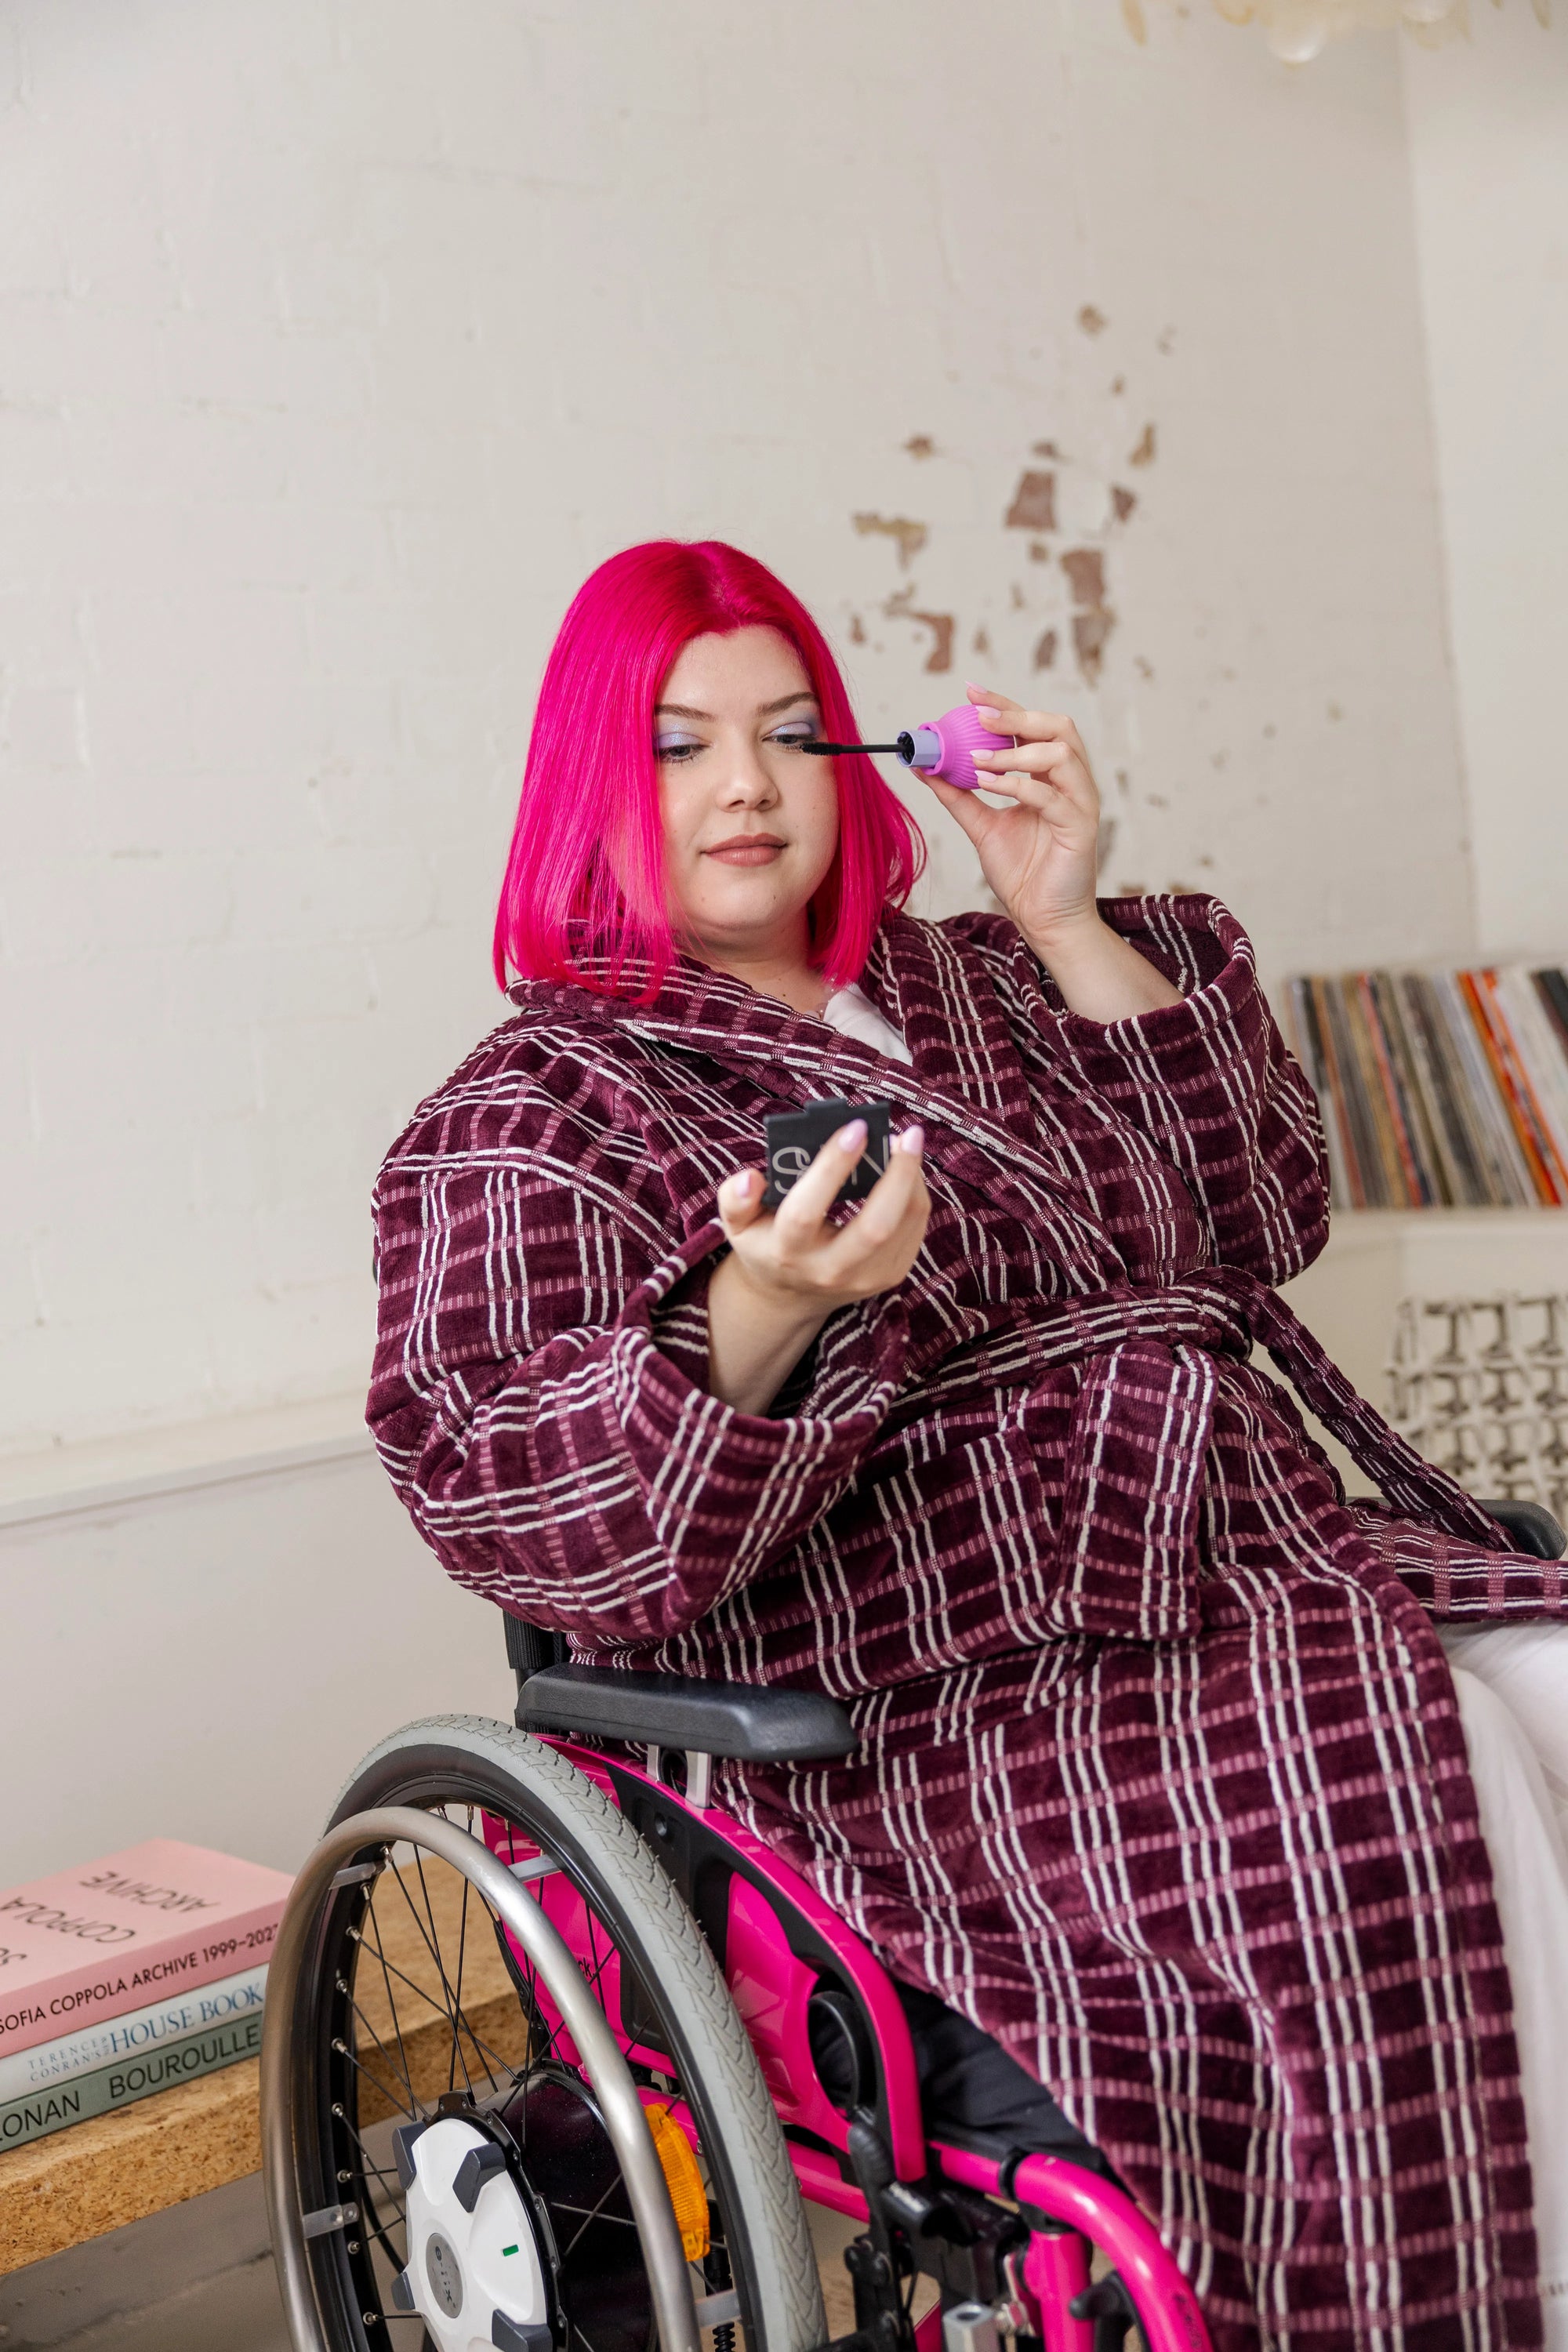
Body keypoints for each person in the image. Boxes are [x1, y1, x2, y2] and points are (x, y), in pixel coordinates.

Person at [368, 539, 1568, 2352]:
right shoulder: (523, 1121)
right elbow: (525, 1511)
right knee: (1432, 1752)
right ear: (589, 783)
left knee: (1547, 1672)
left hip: (1243, 1560)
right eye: (681, 744)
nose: (750, 786)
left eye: (789, 732)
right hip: (915, 1675)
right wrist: (759, 1308)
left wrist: (1073, 912)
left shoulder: (998, 985)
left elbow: (1255, 1222)